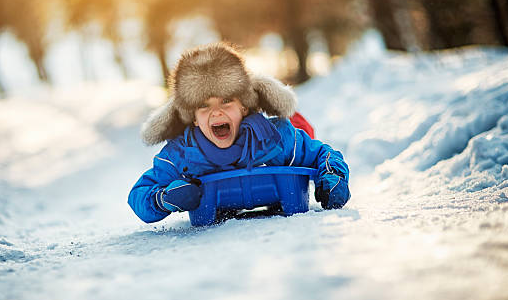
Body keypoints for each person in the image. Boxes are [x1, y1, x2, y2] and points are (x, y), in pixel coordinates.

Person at [128, 42, 350, 223]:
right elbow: (139, 193)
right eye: (204, 106)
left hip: (278, 138)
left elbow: (323, 154)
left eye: (226, 101)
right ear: (193, 118)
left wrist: (333, 176)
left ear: (244, 106)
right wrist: (164, 199)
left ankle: (298, 121)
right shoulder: (182, 154)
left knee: (300, 129)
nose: (216, 112)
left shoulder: (276, 139)